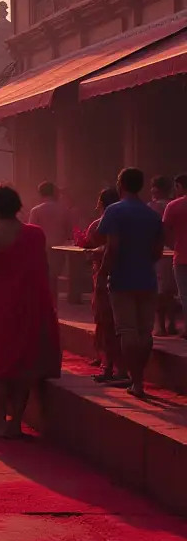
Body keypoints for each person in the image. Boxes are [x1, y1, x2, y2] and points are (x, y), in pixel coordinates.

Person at [0, 186, 61, 437]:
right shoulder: (35, 234)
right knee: (23, 362)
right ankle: (15, 422)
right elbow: (43, 267)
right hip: (29, 303)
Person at [98, 168, 165, 399]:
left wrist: (104, 273)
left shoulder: (114, 211)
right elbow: (157, 251)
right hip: (147, 278)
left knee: (126, 330)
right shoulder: (152, 215)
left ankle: (136, 382)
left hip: (122, 278)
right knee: (145, 332)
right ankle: (139, 379)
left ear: (121, 184)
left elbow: (112, 247)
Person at [83, 189, 126, 385]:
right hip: (125, 275)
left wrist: (99, 266)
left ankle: (110, 366)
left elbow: (104, 247)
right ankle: (117, 365)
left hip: (104, 275)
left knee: (106, 321)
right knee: (120, 323)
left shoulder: (100, 224)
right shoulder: (129, 219)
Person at [29, 181, 73, 303]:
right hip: (59, 247)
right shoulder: (64, 210)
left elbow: (31, 231)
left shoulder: (36, 211)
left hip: (41, 248)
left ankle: (46, 303)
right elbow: (69, 230)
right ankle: (53, 303)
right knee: (53, 277)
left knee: (45, 278)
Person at [149, 176, 179, 337]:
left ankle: (160, 325)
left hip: (159, 252)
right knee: (171, 291)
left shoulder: (153, 207)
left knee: (159, 291)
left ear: (156, 189)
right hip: (175, 251)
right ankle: (172, 323)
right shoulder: (174, 204)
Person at [164, 174, 187, 343]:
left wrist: (173, 246)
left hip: (181, 256)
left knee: (184, 295)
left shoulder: (174, 206)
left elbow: (164, 232)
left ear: (180, 186)